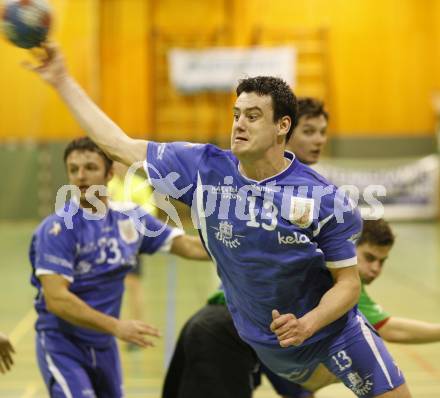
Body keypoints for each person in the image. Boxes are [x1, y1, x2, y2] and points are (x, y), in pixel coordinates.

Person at [27, 43, 411, 397]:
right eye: (237, 114)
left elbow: (347, 284)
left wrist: (309, 323)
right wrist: (62, 79)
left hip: (329, 333)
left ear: (282, 127)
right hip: (268, 344)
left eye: (253, 116)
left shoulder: (323, 198)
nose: (239, 124)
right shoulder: (203, 168)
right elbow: (118, 144)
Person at [162, 97, 328, 398]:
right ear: (283, 130)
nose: (318, 140)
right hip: (227, 327)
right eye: (308, 131)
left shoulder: (317, 197)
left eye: (322, 132)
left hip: (262, 330)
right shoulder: (246, 185)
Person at [29, 137, 209, 397]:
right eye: (74, 169)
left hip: (104, 345)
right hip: (63, 344)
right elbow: (57, 300)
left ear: (110, 173)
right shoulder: (57, 229)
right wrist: (117, 326)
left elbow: (189, 247)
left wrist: (241, 250)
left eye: (90, 167)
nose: (81, 176)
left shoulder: (130, 218)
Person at [108, 161, 157, 338]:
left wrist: (129, 216)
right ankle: (112, 327)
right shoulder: (108, 186)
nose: (119, 168)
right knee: (111, 287)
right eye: (115, 165)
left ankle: (138, 330)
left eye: (122, 164)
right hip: (110, 243)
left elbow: (151, 213)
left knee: (133, 285)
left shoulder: (139, 185)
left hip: (131, 243)